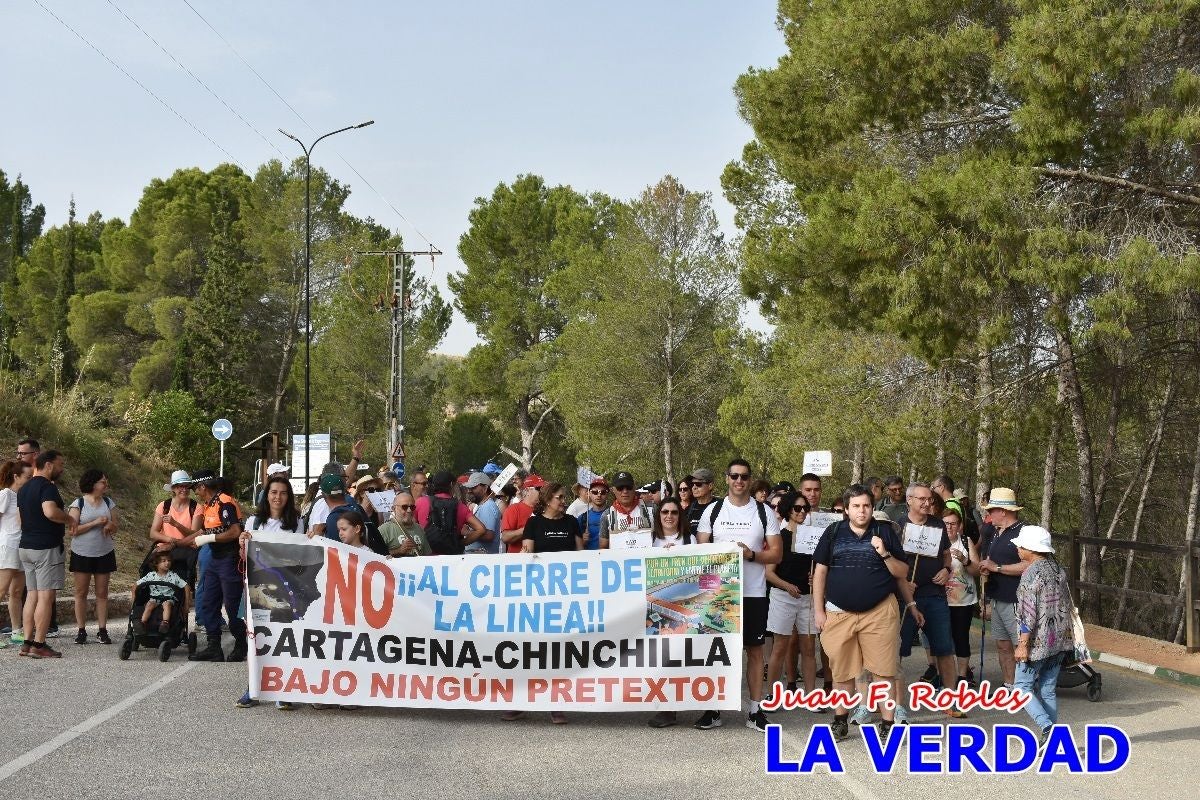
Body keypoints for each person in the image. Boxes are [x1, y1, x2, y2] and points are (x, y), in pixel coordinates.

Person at [812, 484, 923, 743]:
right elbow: (820, 572)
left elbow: (902, 573)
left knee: (883, 671)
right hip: (838, 613)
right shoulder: (833, 532)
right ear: (847, 509)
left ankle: (887, 723)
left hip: (879, 612)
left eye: (866, 506)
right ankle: (840, 721)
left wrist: (884, 553)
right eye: (856, 506)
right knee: (842, 672)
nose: (862, 511)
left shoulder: (885, 531)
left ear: (873, 507)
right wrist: (818, 610)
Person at [695, 459, 783, 733]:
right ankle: (713, 709)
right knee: (716, 651)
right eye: (734, 476)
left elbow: (777, 553)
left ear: (750, 479)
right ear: (726, 478)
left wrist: (751, 554)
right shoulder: (714, 509)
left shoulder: (763, 511)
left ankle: (755, 710)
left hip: (753, 592)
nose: (739, 481)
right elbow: (700, 550)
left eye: (744, 477)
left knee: (754, 651)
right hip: (718, 592)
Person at [504, 483, 582, 725]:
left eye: (565, 497)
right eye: (560, 497)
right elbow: (527, 552)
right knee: (530, 650)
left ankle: (555, 704)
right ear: (548, 500)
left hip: (565, 597)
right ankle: (519, 702)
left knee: (559, 653)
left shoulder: (571, 522)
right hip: (537, 599)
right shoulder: (534, 523)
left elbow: (582, 557)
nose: (564, 501)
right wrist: (524, 558)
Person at [895, 482, 959, 718]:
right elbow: (887, 561)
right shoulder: (898, 526)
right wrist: (901, 581)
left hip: (934, 595)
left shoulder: (938, 524)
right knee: (896, 651)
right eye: (921, 499)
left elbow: (946, 556)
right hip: (905, 597)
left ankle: (950, 700)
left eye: (929, 499)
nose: (926, 503)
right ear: (909, 500)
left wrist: (946, 570)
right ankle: (892, 702)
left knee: (944, 648)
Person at [1011, 525, 1074, 752]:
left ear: (1030, 548)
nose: (1017, 547)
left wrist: (1022, 645)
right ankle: (1053, 742)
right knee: (1047, 688)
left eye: (1020, 544)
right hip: (1059, 639)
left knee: (1021, 688)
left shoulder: (1031, 574)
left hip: (1037, 642)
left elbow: (1028, 613)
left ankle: (1046, 727)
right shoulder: (1059, 570)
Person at [764, 492, 820, 718]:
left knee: (808, 648)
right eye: (797, 509)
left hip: (807, 598)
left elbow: (820, 567)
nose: (802, 512)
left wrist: (815, 578)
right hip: (782, 596)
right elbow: (768, 573)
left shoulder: (815, 537)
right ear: (788, 510)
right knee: (780, 647)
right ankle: (772, 695)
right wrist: (787, 586)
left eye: (805, 508)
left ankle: (811, 696)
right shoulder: (779, 537)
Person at [17, 450, 75, 658]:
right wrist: (70, 519)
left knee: (31, 595)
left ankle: (27, 642)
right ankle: (40, 645)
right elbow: (50, 511)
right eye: (60, 464)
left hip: (26, 546)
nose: (62, 468)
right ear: (48, 465)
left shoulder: (23, 489)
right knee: (46, 596)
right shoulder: (47, 487)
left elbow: (20, 520)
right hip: (46, 548)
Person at [188, 471, 246, 663]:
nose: (195, 492)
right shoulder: (208, 505)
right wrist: (177, 543)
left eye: (195, 488)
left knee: (232, 604)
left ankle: (241, 644)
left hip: (228, 559)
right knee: (208, 601)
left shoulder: (224, 502)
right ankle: (214, 646)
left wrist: (208, 538)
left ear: (203, 486)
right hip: (214, 557)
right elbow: (203, 530)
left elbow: (235, 531)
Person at [974, 487, 1028, 689]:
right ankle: (1009, 685)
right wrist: (989, 569)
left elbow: (1029, 565)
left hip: (1016, 600)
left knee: (1019, 646)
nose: (988, 515)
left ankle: (1024, 687)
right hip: (997, 598)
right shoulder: (997, 532)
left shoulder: (1023, 532)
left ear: (1003, 511)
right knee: (1002, 644)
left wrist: (997, 567)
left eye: (991, 510)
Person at [647, 496, 692, 729]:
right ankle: (662, 703)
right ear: (659, 514)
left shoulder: (690, 540)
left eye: (674, 512)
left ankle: (669, 708)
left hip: (679, 606)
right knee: (655, 658)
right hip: (651, 607)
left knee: (675, 659)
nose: (669, 516)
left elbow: (700, 569)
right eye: (665, 511)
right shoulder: (649, 539)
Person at [67, 469, 119, 645]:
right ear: (93, 484)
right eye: (103, 482)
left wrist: (109, 526)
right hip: (82, 552)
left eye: (106, 481)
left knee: (102, 593)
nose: (106, 485)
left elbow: (116, 526)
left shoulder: (108, 502)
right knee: (80, 592)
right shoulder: (78, 503)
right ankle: (81, 630)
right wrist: (96, 523)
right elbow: (73, 530)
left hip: (104, 551)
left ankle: (102, 630)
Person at [944, 506, 980, 687]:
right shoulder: (936, 541)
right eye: (946, 523)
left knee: (961, 638)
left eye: (953, 524)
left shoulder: (965, 541)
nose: (949, 527)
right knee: (943, 639)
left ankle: (962, 676)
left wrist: (965, 560)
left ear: (959, 526)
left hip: (963, 600)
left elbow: (977, 570)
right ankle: (945, 674)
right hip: (941, 599)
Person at [148, 470, 201, 589]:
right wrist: (171, 540)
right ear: (173, 488)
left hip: (186, 548)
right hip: (164, 546)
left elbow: (195, 534)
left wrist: (176, 524)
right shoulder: (164, 506)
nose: (184, 489)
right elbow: (153, 533)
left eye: (187, 486)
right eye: (180, 486)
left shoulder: (196, 507)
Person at [0, 459, 32, 647]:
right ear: (16, 476)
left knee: (17, 591)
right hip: (8, 545)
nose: (29, 481)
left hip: (22, 546)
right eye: (27, 477)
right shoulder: (6, 494)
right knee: (2, 589)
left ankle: (16, 631)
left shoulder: (23, 497)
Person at [415, 470, 487, 555]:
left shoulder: (421, 502)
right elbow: (481, 529)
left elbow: (411, 527)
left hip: (427, 557)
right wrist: (461, 543)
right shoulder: (461, 507)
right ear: (452, 485)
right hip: (452, 559)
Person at [134, 552, 188, 636]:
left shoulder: (173, 575)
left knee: (167, 605)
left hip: (168, 598)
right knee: (149, 605)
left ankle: (165, 623)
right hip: (154, 598)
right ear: (156, 564)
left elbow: (186, 587)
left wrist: (186, 604)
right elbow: (136, 585)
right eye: (164, 561)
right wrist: (133, 599)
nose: (167, 563)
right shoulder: (151, 575)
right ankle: (142, 623)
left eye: (169, 560)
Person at [599, 471, 653, 549]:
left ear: (634, 487)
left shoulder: (651, 509)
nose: (625, 491)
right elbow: (603, 548)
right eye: (620, 488)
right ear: (613, 490)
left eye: (628, 487)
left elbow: (664, 536)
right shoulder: (607, 516)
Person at [377, 492, 431, 557]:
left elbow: (427, 556)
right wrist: (399, 550)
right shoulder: (384, 530)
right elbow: (375, 556)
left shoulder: (419, 528)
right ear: (394, 509)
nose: (409, 510)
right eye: (404, 507)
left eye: (412, 507)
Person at [500, 478, 543, 554]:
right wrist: (529, 528)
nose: (543, 492)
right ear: (527, 490)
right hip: (519, 562)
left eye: (544, 489)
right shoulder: (514, 509)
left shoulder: (546, 510)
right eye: (539, 489)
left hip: (542, 560)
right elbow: (505, 537)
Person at [463, 473, 499, 554]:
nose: (469, 491)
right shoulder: (483, 506)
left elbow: (489, 536)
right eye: (469, 488)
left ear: (485, 488)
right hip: (479, 561)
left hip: (483, 561)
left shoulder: (488, 506)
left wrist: (467, 532)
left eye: (474, 487)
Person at [576, 477, 609, 551]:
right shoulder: (582, 518)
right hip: (590, 560)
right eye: (595, 492)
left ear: (607, 494)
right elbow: (574, 548)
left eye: (603, 492)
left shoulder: (615, 515)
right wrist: (583, 541)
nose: (599, 495)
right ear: (589, 493)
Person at [686, 468, 717, 540]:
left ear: (710, 486)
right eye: (692, 484)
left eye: (698, 484)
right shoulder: (688, 510)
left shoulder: (721, 507)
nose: (694, 487)